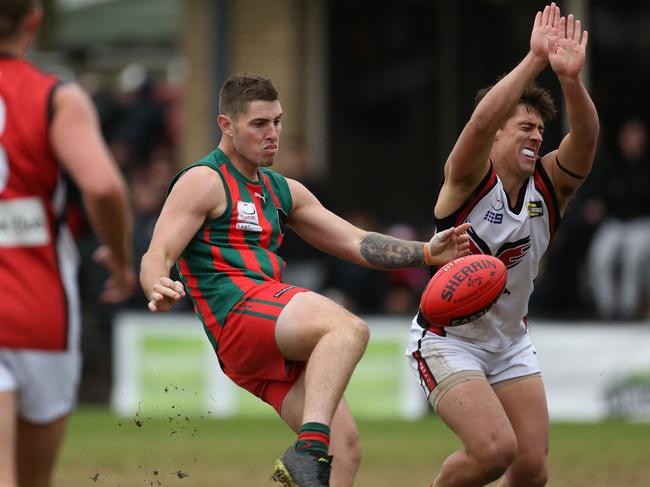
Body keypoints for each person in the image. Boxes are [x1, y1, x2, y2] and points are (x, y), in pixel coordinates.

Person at [140, 72, 471, 487]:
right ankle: (308, 450)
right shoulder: (203, 180)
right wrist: (156, 282)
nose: (273, 133)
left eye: (277, 121)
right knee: (346, 328)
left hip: (265, 331)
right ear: (226, 125)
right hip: (239, 316)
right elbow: (157, 253)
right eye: (259, 124)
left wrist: (426, 252)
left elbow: (354, 241)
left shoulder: (283, 190)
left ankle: (314, 452)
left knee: (346, 450)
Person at [407, 4, 598, 486]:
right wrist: (534, 61)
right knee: (495, 451)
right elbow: (475, 126)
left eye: (540, 129)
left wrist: (571, 80)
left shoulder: (549, 187)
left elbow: (587, 140)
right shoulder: (468, 178)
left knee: (531, 468)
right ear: (496, 133)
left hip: (510, 341)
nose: (536, 136)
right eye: (524, 127)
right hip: (448, 342)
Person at [0, 2, 136, 487]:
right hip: (38, 307)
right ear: (33, 19)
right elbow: (103, 186)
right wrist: (120, 260)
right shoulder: (55, 97)